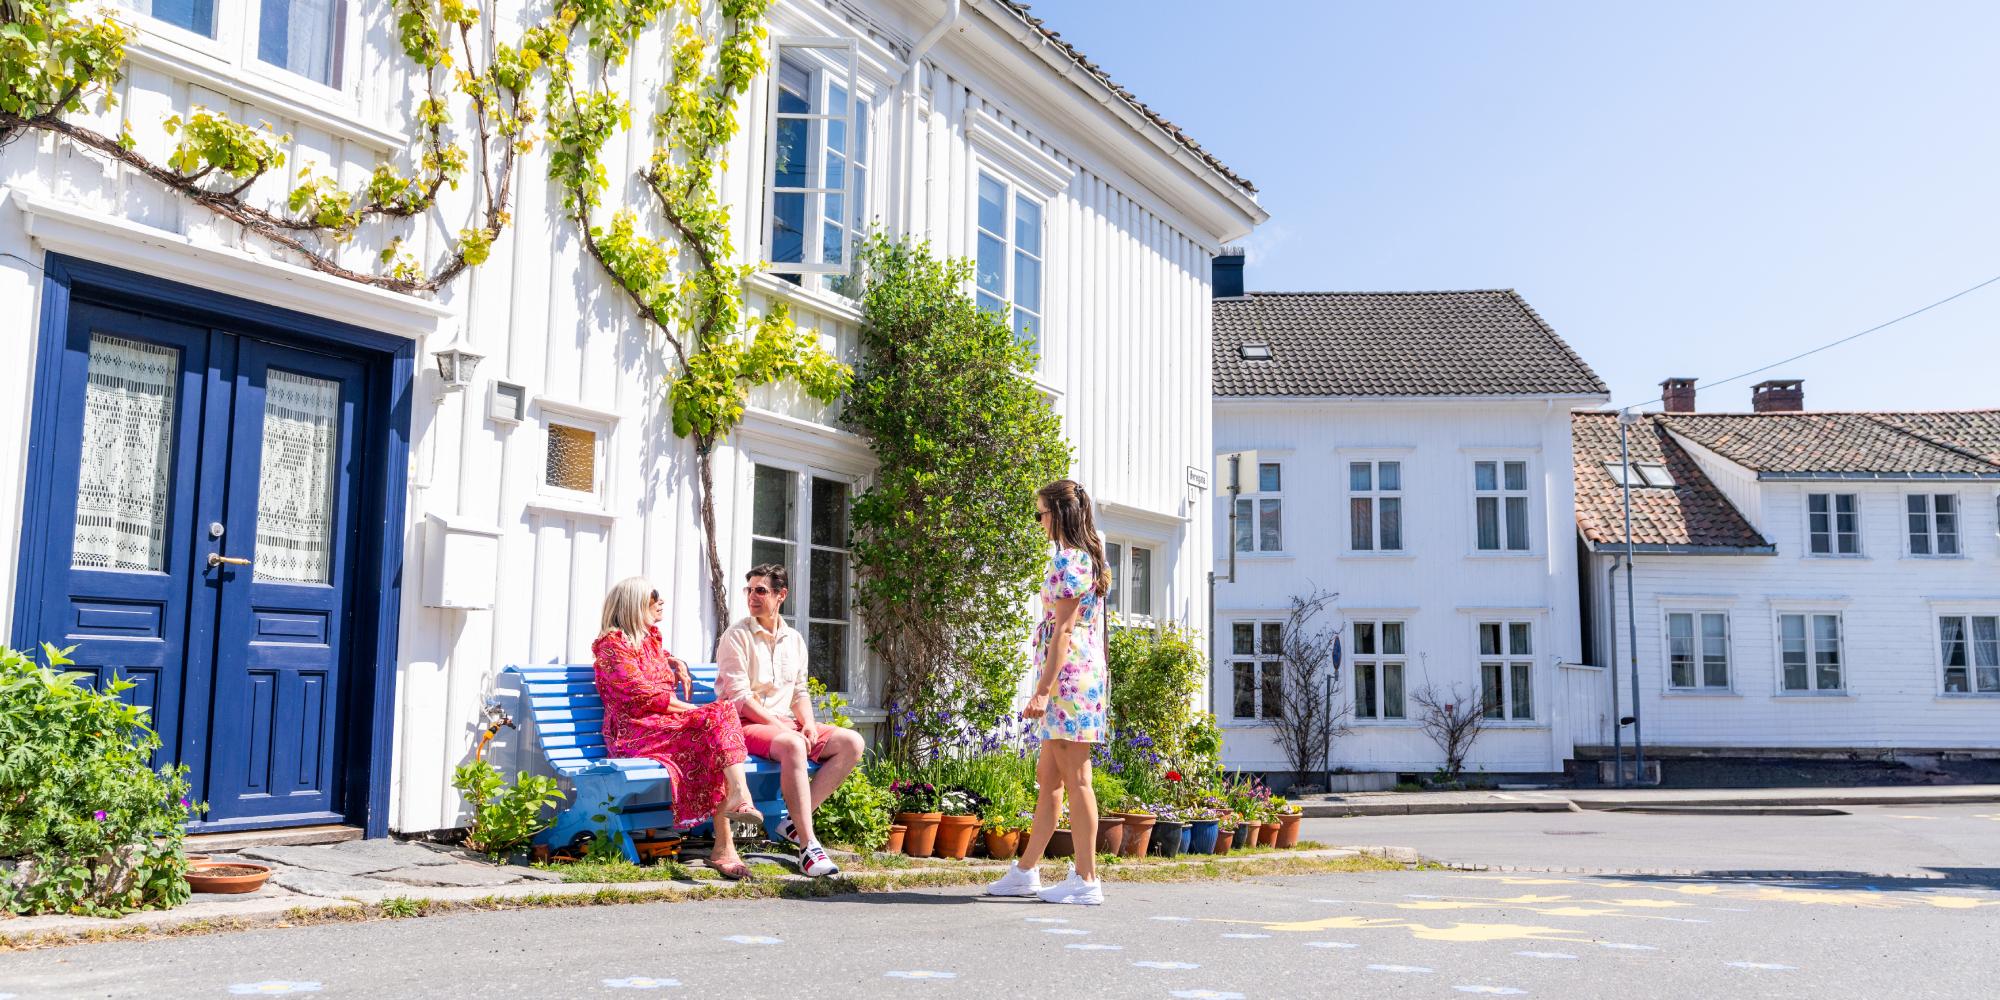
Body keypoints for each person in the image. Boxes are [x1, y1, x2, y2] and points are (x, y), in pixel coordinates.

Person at [987, 479, 1111, 905]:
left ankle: (1087, 878)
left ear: (1059, 514)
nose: (1038, 521)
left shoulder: (1072, 560)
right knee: (1049, 781)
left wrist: (1042, 691)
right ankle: (1025, 871)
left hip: (1068, 680)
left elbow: (1063, 629)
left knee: (1077, 780)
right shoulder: (1080, 557)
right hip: (1076, 676)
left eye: (1040, 513)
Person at [592, 577, 763, 880]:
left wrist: (675, 660)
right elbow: (642, 695)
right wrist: (697, 710)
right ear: (633, 604)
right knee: (719, 717)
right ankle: (731, 825)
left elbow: (654, 663)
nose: (661, 602)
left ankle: (729, 836)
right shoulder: (611, 646)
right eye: (653, 596)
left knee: (716, 737)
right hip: (634, 732)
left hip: (664, 727)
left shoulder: (650, 639)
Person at [716, 563, 866, 878]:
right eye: (750, 590)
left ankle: (792, 825)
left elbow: (799, 692)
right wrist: (783, 727)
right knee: (794, 744)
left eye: (761, 590)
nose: (753, 597)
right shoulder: (737, 635)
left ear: (780, 595)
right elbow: (740, 698)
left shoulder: (794, 640)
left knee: (852, 742)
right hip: (742, 725)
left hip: (783, 724)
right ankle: (808, 848)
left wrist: (808, 723)